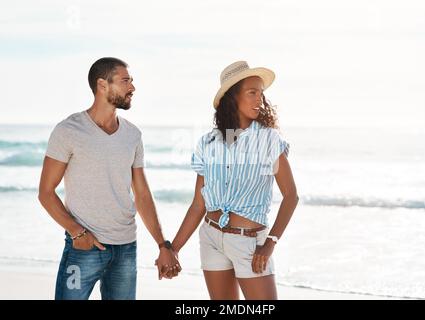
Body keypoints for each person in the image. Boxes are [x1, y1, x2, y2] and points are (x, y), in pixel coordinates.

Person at [38, 57, 180, 300]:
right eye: (125, 81)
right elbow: (46, 192)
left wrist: (162, 245)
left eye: (132, 81)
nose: (132, 88)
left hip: (126, 249)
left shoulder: (133, 135)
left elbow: (142, 194)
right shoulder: (69, 130)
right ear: (102, 84)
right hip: (83, 248)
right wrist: (76, 232)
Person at [171, 61, 299, 299]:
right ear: (232, 97)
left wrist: (270, 242)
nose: (259, 99)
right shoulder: (208, 143)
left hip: (250, 244)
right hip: (211, 237)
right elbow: (199, 204)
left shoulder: (268, 140)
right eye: (252, 92)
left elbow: (291, 196)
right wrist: (173, 249)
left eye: (261, 93)